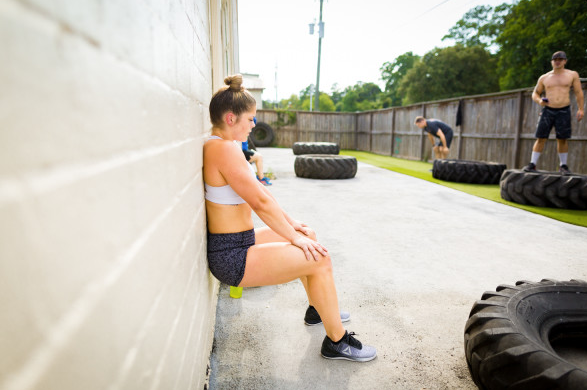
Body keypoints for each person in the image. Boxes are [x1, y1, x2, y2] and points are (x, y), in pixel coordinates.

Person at [203, 74, 376, 362]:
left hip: (240, 242)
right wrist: (290, 236)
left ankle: (317, 309)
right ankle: (337, 342)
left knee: (309, 235)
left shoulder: (226, 145)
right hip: (232, 256)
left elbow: (260, 191)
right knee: (319, 258)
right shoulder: (221, 149)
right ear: (231, 118)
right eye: (250, 119)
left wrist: (294, 226)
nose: (254, 124)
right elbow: (259, 202)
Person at [523, 51, 584, 174]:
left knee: (562, 138)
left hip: (564, 110)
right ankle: (532, 164)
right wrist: (540, 101)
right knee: (541, 137)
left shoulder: (572, 75)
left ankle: (563, 165)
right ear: (552, 61)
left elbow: (578, 92)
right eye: (555, 59)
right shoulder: (544, 77)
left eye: (560, 59)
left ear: (565, 61)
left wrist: (581, 109)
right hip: (548, 110)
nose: (557, 61)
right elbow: (535, 93)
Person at [242, 119, 272, 186]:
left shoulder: (246, 130)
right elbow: (243, 148)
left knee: (257, 155)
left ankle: (260, 177)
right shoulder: (243, 130)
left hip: (244, 151)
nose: (253, 126)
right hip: (242, 152)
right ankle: (261, 178)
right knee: (259, 157)